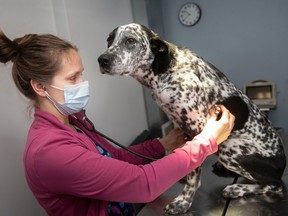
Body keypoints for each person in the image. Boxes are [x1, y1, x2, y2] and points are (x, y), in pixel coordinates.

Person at [0, 29, 235, 216]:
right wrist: (208, 139)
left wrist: (163, 144)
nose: (83, 83)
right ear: (40, 87)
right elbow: (143, 184)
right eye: (73, 78)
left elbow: (113, 160)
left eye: (81, 73)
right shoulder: (49, 151)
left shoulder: (74, 121)